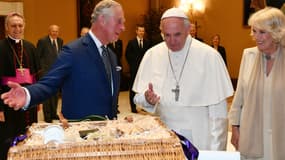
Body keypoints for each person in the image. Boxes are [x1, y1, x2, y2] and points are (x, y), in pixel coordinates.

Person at [1, 0, 124, 122]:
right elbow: (49, 84)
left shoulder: (111, 55)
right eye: (119, 21)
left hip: (108, 133)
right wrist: (27, 94)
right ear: (102, 20)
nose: (123, 27)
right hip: (81, 135)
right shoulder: (74, 51)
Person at [132, 8, 233, 150]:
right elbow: (138, 98)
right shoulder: (152, 54)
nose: (172, 41)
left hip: (200, 138)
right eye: (167, 35)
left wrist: (216, 153)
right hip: (164, 136)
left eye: (177, 34)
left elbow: (219, 115)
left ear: (188, 30)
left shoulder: (209, 56)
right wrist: (147, 99)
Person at [228, 7, 285, 160]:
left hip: (280, 136)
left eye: (262, 32)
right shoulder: (249, 55)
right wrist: (235, 128)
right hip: (252, 134)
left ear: (276, 32)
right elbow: (239, 97)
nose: (256, 37)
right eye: (254, 31)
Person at [0, 12, 40, 159]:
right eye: (13, 26)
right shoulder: (1, 47)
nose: (17, 29)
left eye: (20, 25)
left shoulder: (30, 47)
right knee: (8, 136)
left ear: (24, 27)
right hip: (8, 101)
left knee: (30, 133)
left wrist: (38, 98)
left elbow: (37, 76)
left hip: (29, 99)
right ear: (6, 28)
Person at [36, 24, 63, 123]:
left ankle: (53, 113)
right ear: (49, 31)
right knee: (47, 95)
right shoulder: (42, 41)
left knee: (55, 94)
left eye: (56, 31)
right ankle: (47, 116)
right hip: (46, 73)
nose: (55, 33)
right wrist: (40, 72)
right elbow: (38, 57)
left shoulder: (60, 41)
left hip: (57, 72)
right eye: (53, 31)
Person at [125, 24, 151, 113]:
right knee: (133, 88)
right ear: (136, 31)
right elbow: (127, 55)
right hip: (134, 69)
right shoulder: (131, 42)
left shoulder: (147, 42)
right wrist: (133, 65)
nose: (141, 33)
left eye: (143, 31)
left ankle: (144, 106)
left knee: (144, 88)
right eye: (140, 31)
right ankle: (133, 107)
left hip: (144, 70)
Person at [108, 39, 123, 113]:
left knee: (117, 88)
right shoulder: (107, 41)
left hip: (118, 66)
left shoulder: (119, 42)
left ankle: (116, 106)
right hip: (109, 65)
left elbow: (120, 54)